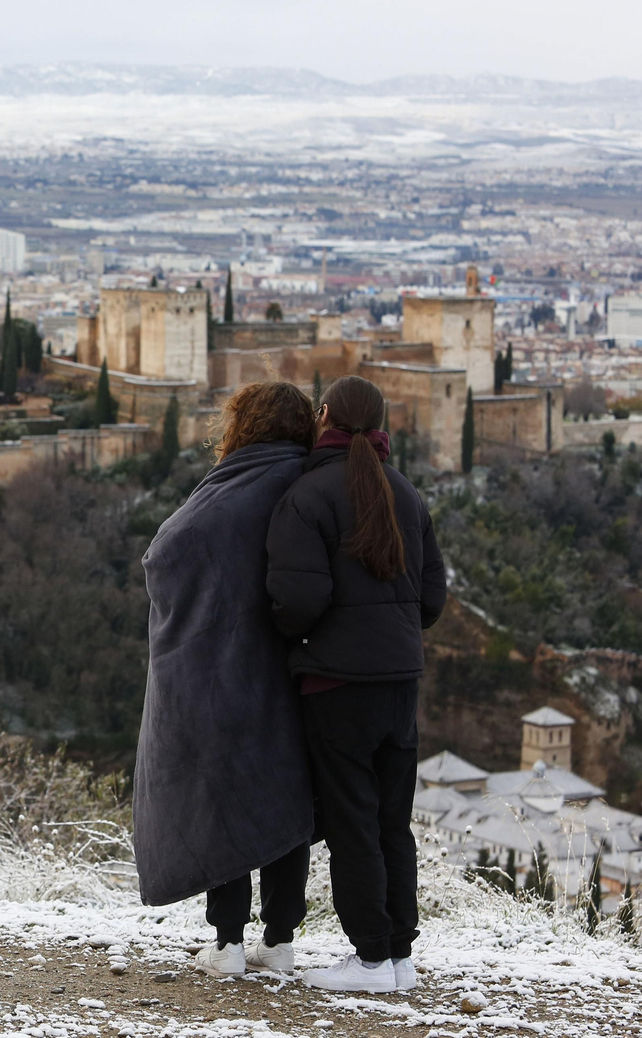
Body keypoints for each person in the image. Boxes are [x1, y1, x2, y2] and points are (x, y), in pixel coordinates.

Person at [266, 375, 446, 994]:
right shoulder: (407, 493)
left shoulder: (306, 495)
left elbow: (297, 599)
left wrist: (298, 640)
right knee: (393, 822)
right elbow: (432, 600)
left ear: (325, 418)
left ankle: (369, 957)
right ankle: (398, 955)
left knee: (352, 821)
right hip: (401, 680)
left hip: (336, 685)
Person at [134, 381, 318, 979]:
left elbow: (165, 555)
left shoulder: (226, 490)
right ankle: (281, 939)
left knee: (226, 799)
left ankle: (229, 943)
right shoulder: (311, 484)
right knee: (286, 797)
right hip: (295, 666)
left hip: (221, 667)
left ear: (243, 426)